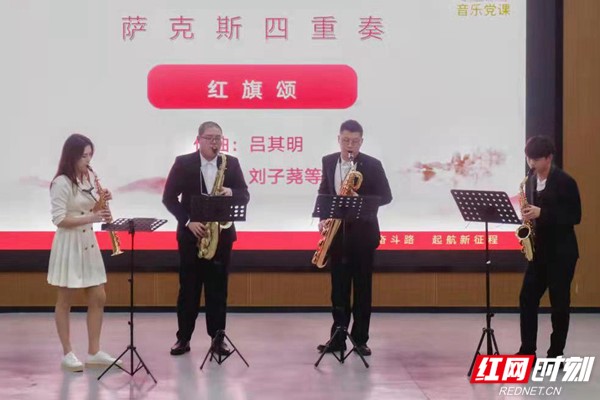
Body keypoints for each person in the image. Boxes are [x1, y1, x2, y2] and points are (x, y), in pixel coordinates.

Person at [163, 121, 249, 356]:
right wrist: (188, 221)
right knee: (188, 290)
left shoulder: (231, 164)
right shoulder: (183, 163)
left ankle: (218, 339)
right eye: (209, 138)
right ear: (198, 140)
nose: (214, 142)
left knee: (218, 291)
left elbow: (244, 194)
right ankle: (183, 338)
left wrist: (231, 192)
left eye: (218, 138)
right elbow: (169, 198)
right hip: (191, 236)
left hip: (221, 238)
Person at [316, 119, 392, 356]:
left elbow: (386, 196)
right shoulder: (328, 161)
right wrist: (323, 217)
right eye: (346, 140)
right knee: (338, 291)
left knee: (362, 290)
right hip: (337, 236)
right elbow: (324, 190)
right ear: (338, 139)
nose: (350, 146)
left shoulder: (372, 164)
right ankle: (337, 338)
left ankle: (360, 340)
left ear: (362, 141)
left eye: (355, 141)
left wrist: (361, 199)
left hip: (363, 236)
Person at [48, 133, 122, 371]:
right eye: (83, 156)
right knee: (65, 300)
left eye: (90, 155)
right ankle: (67, 353)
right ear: (72, 156)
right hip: (69, 244)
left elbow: (90, 209)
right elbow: (59, 219)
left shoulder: (89, 177)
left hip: (88, 242)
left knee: (98, 296)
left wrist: (102, 201)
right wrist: (93, 217)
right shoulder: (61, 182)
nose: (88, 160)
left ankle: (94, 351)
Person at [517, 135, 582, 360]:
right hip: (539, 252)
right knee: (527, 298)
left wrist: (542, 213)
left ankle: (555, 353)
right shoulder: (530, 181)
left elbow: (575, 216)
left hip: (562, 253)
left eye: (535, 159)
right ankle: (527, 350)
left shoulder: (565, 181)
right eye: (528, 158)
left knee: (559, 304)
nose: (531, 163)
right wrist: (528, 217)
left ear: (549, 158)